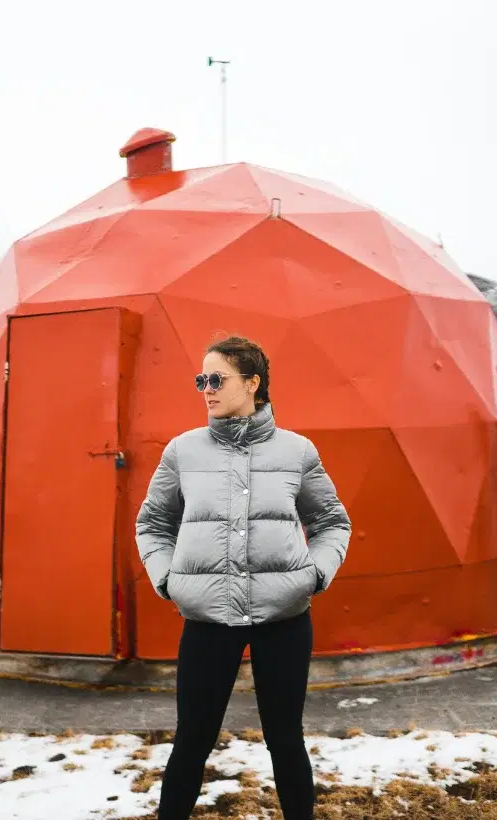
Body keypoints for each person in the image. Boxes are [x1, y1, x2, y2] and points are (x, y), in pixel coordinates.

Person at [135, 335, 352, 820]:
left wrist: (315, 574)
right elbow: (152, 523)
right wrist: (168, 578)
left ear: (252, 383)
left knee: (285, 739)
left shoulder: (297, 451)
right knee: (192, 740)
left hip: (285, 617)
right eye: (201, 380)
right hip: (208, 618)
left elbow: (333, 522)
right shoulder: (182, 451)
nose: (206, 389)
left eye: (217, 379)